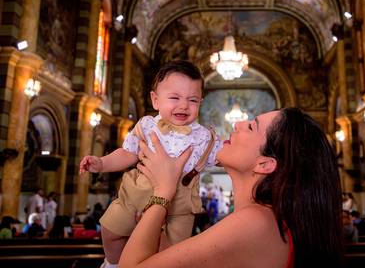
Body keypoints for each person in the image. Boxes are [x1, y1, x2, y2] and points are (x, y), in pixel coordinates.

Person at [119, 108, 344, 268]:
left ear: (264, 164)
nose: (237, 124)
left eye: (251, 126)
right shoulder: (264, 220)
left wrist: (163, 192)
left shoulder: (257, 222)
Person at [79, 60, 222, 267]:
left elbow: (223, 157)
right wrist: (101, 163)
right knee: (110, 230)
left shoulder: (205, 137)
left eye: (193, 100)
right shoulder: (147, 125)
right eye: (174, 97)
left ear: (201, 101)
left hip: (178, 208)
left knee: (168, 254)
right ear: (155, 100)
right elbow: (128, 153)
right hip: (136, 195)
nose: (183, 105)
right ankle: (114, 263)